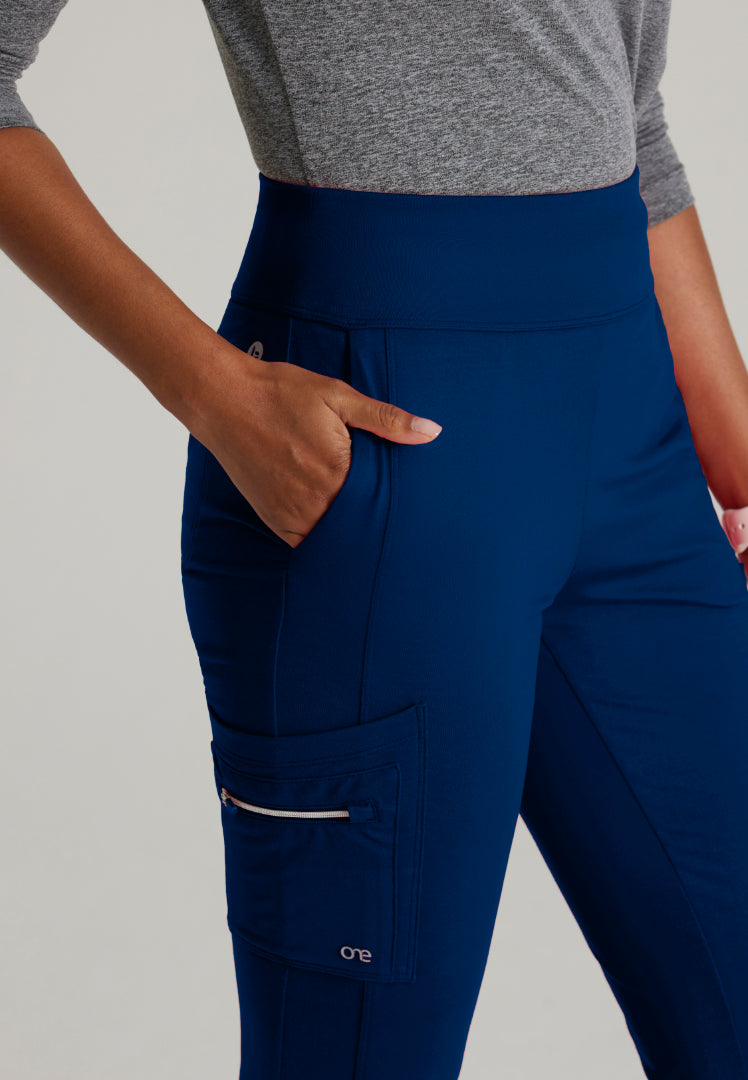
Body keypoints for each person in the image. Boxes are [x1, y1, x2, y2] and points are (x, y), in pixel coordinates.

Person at [2, 2, 748, 1078]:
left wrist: (736, 451)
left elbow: (626, 111)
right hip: (379, 458)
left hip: (638, 458)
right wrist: (214, 394)